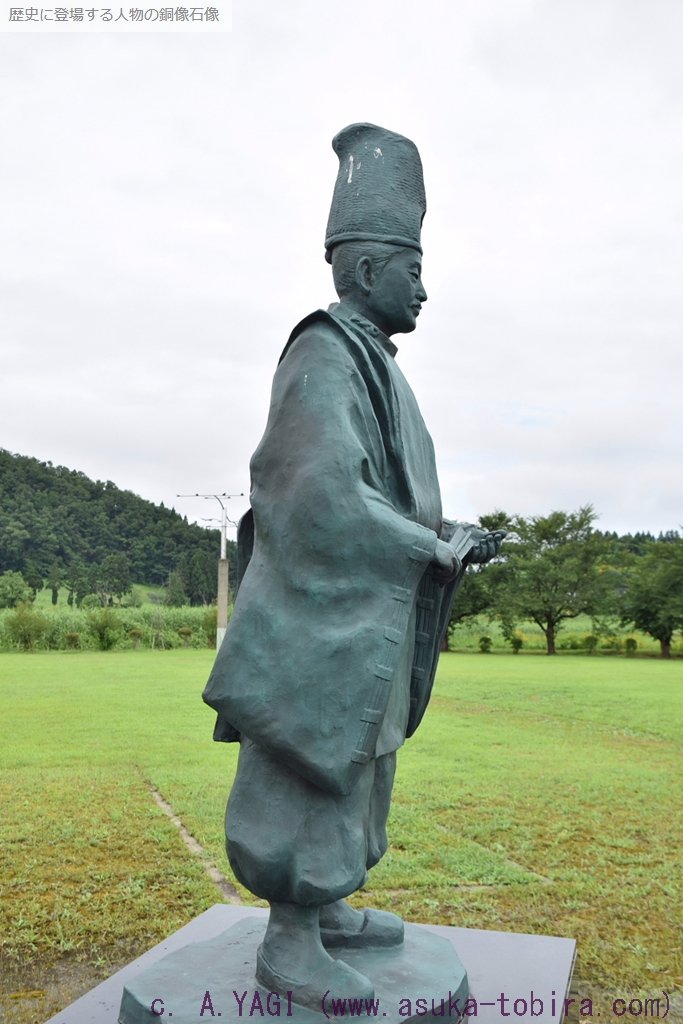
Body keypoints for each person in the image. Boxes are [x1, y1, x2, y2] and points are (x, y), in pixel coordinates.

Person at [203, 123, 503, 1008]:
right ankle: (289, 933)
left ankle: (326, 904)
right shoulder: (323, 352)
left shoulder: (377, 363)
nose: (424, 289)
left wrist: (448, 530)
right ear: (368, 270)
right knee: (310, 758)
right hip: (320, 620)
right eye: (412, 271)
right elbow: (316, 494)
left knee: (361, 764)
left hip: (371, 613)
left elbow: (393, 491)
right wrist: (427, 547)